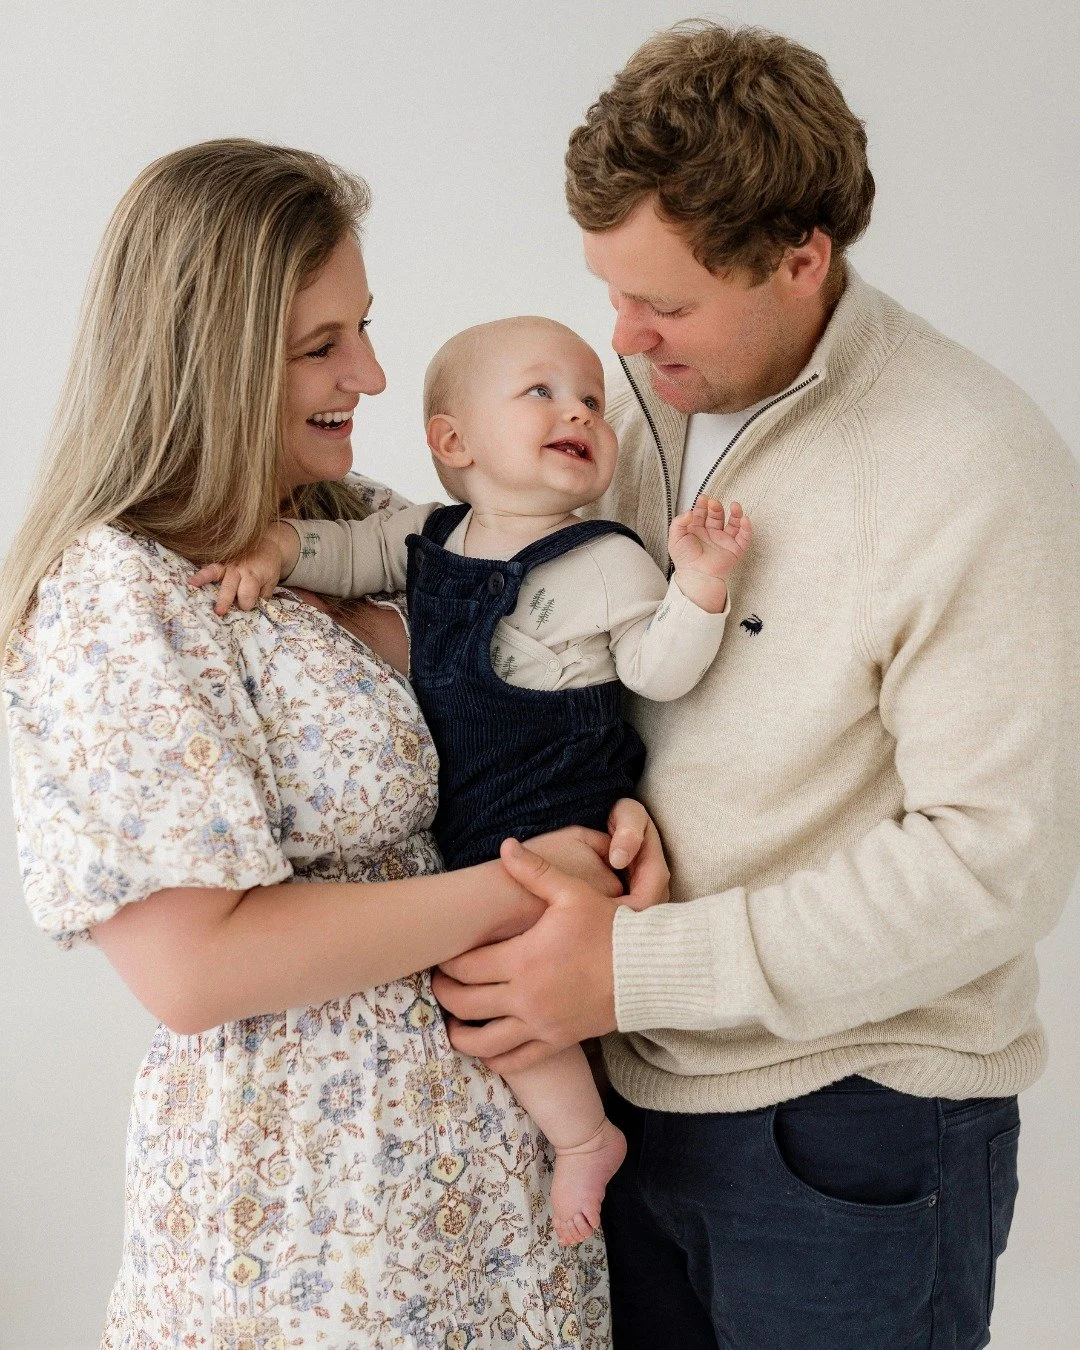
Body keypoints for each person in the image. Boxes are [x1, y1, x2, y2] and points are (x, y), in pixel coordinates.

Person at [431, 21, 1080, 1348]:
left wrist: (629, 964)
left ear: (799, 262)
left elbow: (994, 864)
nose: (621, 335)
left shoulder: (977, 463)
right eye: (610, 290)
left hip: (850, 1127)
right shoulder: (624, 408)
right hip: (621, 1102)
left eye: (661, 305)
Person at [0, 139, 668, 1348]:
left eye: (362, 326)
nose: (368, 373)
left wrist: (621, 822)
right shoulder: (115, 595)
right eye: (320, 345)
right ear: (208, 353)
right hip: (316, 1234)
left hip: (502, 1208)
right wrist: (523, 891)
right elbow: (193, 970)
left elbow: (526, 708)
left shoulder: (354, 523)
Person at [190, 312, 752, 1245]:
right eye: (543, 391)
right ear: (455, 442)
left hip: (554, 811)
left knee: (494, 986)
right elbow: (354, 553)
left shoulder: (606, 557)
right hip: (470, 820)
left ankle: (582, 1138)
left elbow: (659, 671)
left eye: (591, 402)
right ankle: (583, 1127)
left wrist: (698, 587)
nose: (579, 410)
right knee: (485, 981)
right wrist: (277, 555)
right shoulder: (429, 535)